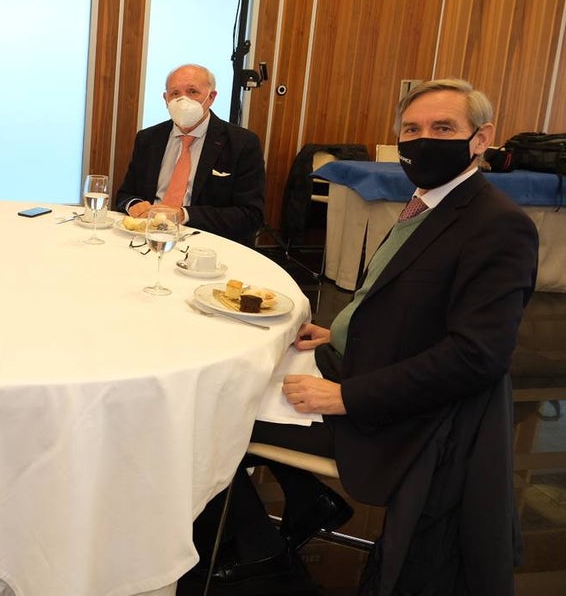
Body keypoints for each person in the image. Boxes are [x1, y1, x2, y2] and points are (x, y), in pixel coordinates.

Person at [206, 79, 539, 594]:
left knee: (211, 407)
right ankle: (301, 502)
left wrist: (345, 397)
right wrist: (337, 331)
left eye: (443, 127)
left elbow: (478, 355)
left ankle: (258, 548)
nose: (422, 140)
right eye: (412, 129)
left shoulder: (497, 225)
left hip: (400, 416)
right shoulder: (427, 204)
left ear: (480, 138)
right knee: (237, 372)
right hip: (360, 367)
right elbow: (393, 301)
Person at [115, 64, 265, 246]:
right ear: (165, 99)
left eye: (192, 92)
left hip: (206, 244)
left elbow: (250, 215)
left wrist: (183, 214)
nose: (183, 100)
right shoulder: (148, 138)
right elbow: (125, 194)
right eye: (175, 93)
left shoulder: (242, 143)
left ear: (211, 97)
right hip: (145, 238)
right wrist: (134, 204)